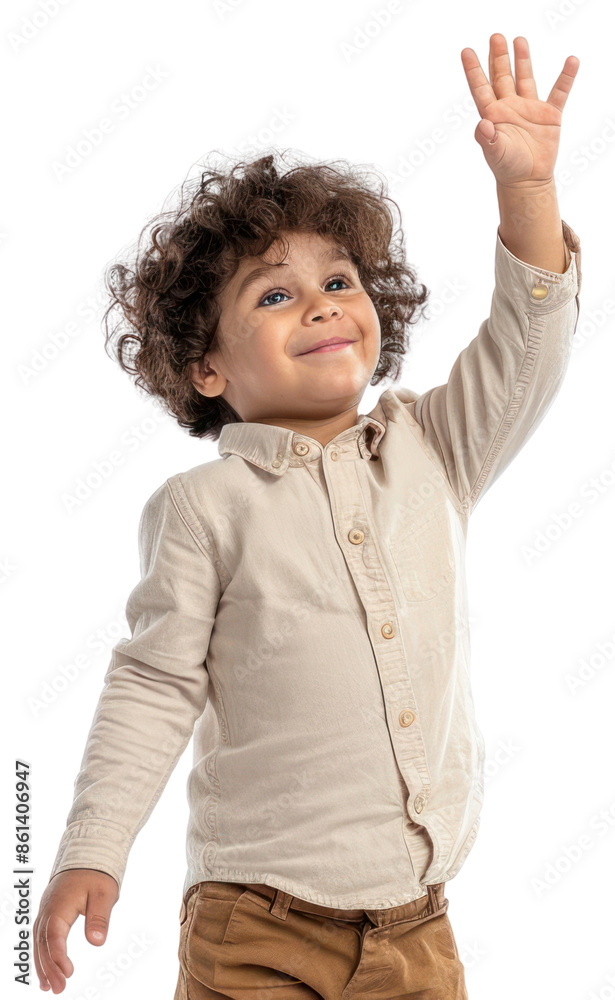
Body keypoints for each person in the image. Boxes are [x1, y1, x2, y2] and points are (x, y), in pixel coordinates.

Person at [34, 33, 582, 999]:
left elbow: (526, 348)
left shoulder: (433, 449)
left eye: (338, 282)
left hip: (420, 927)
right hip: (256, 925)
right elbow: (154, 685)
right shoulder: (204, 508)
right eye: (276, 295)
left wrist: (526, 192)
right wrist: (94, 846)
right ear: (207, 370)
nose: (324, 306)